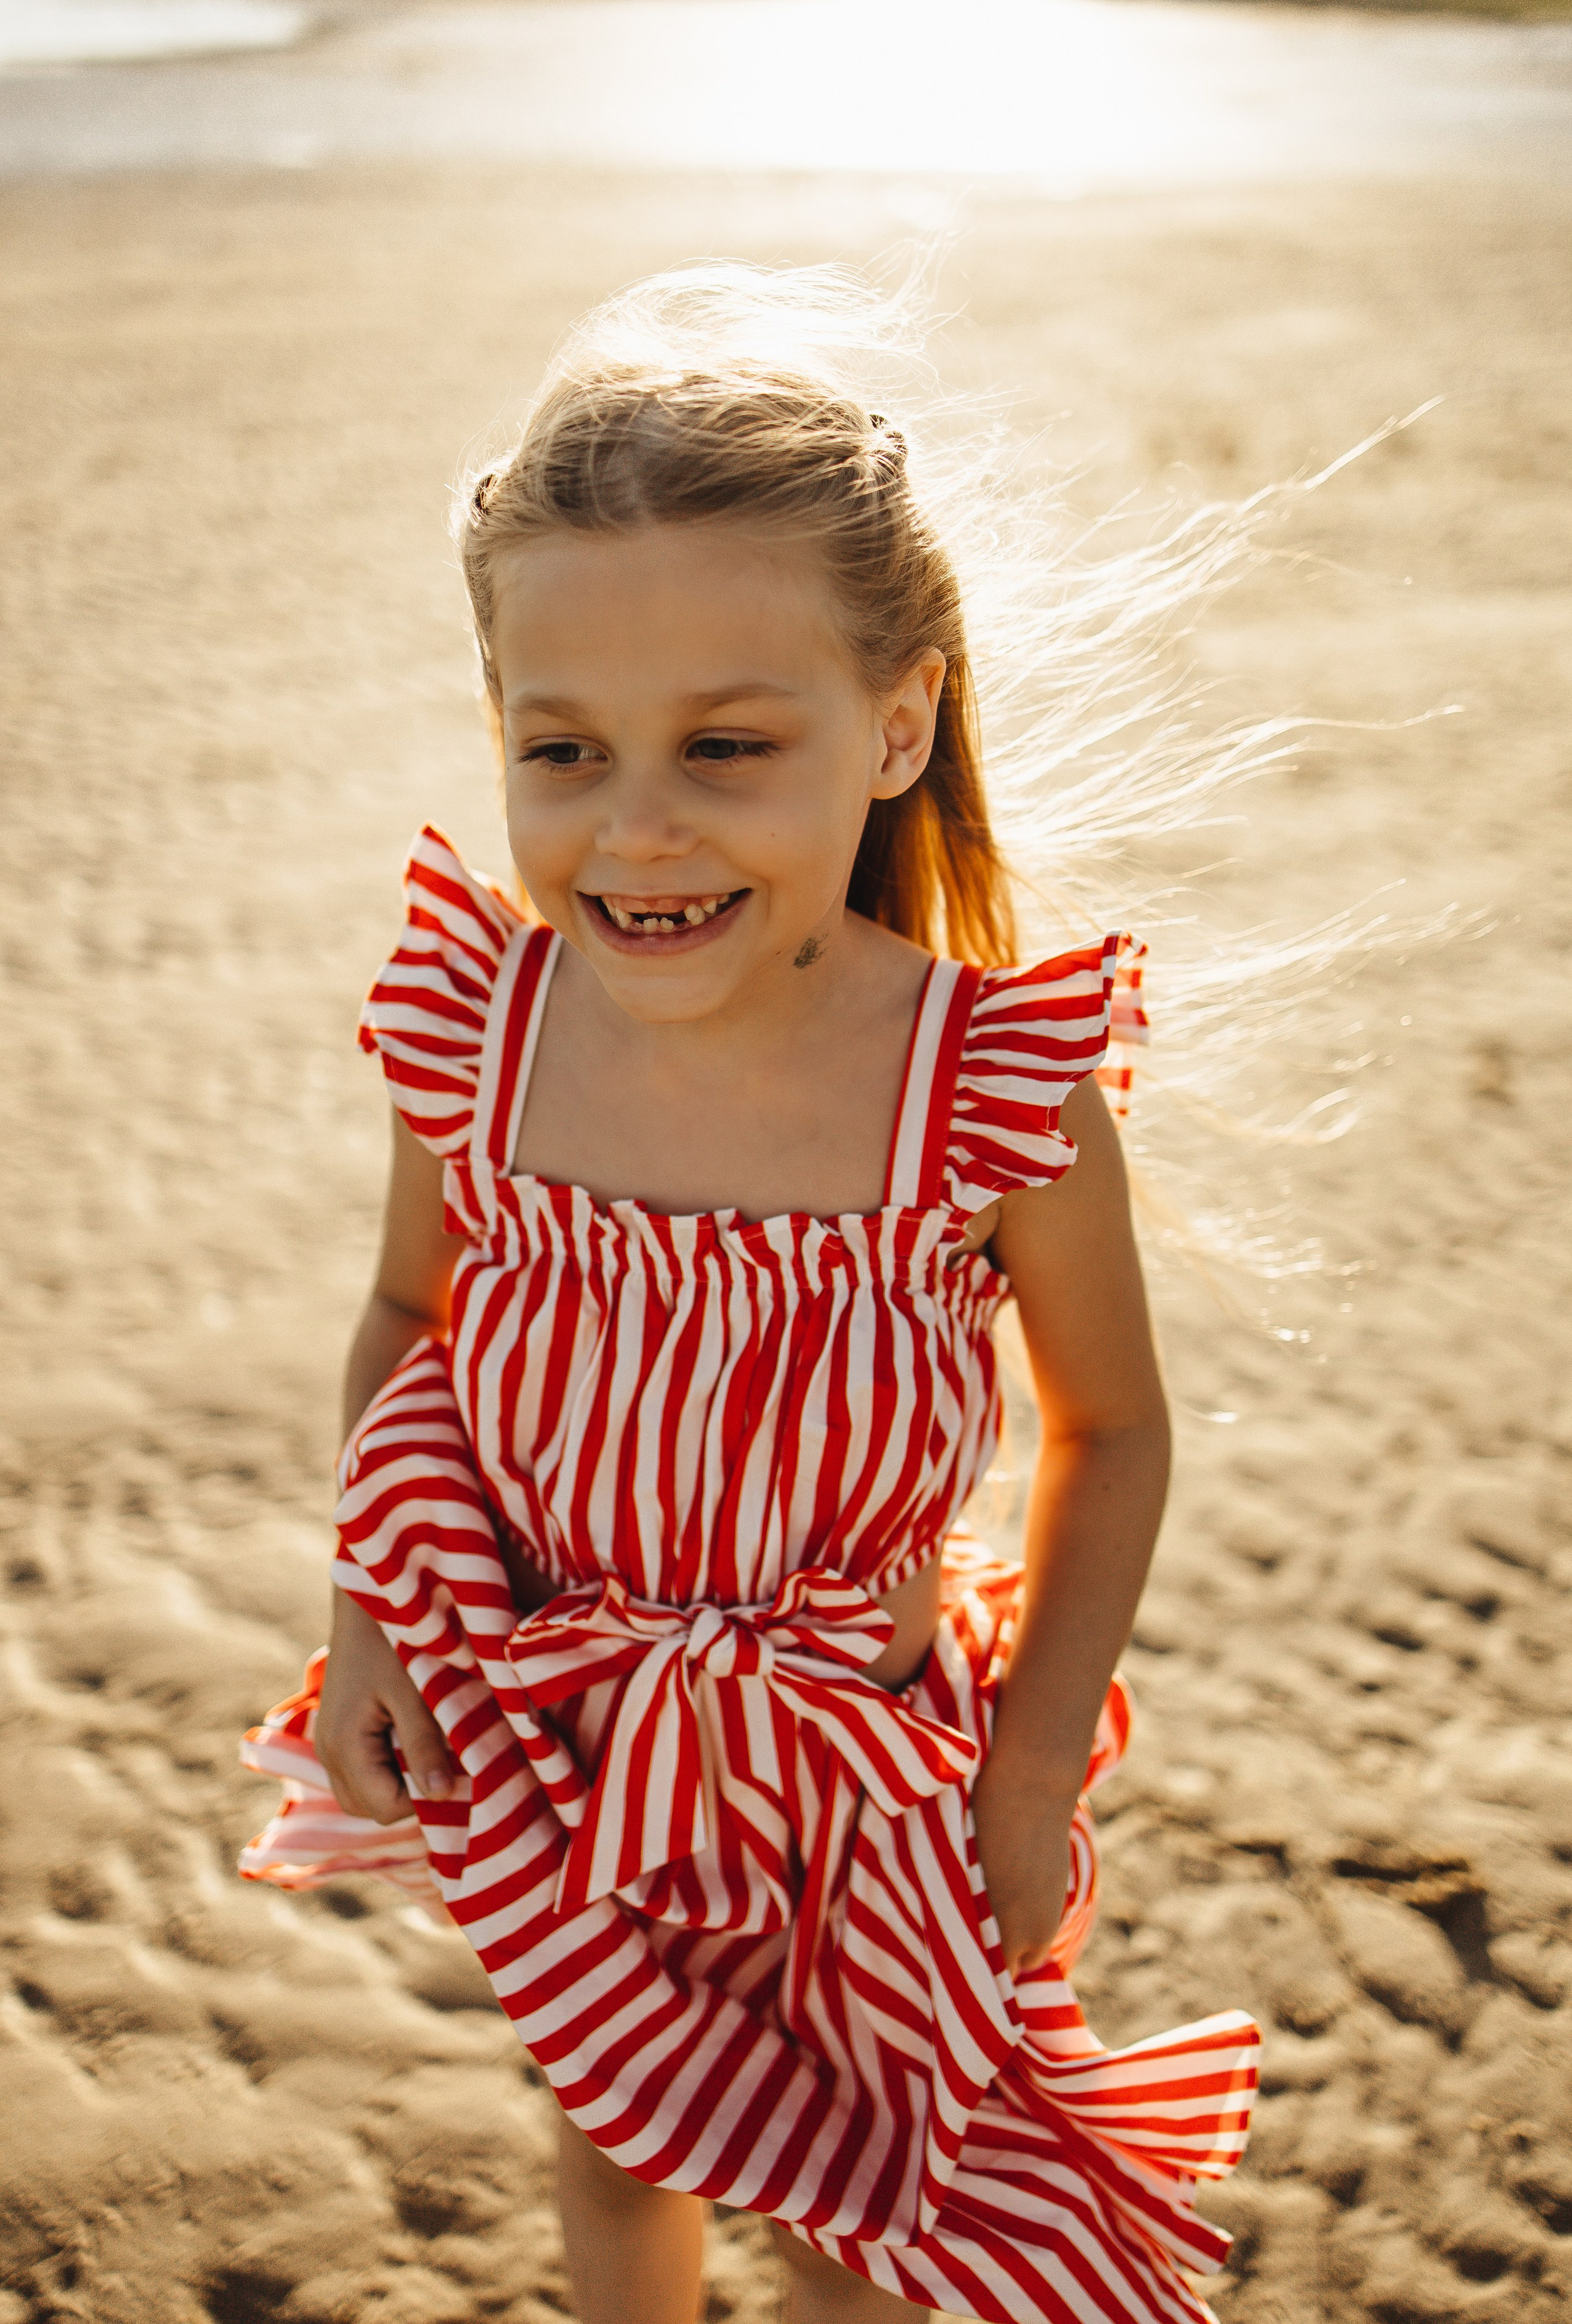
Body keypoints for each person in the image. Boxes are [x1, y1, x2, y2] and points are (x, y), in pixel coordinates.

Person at [241, 265, 1259, 2324]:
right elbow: (408, 1329)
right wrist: (369, 1621)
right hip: (571, 1758)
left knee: (865, 2203)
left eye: (724, 746)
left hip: (870, 1786)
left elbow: (1118, 1425)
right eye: (563, 749)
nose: (636, 830)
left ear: (897, 726)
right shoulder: (483, 1036)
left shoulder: (983, 1091)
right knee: (617, 2140)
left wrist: (1032, 1766)